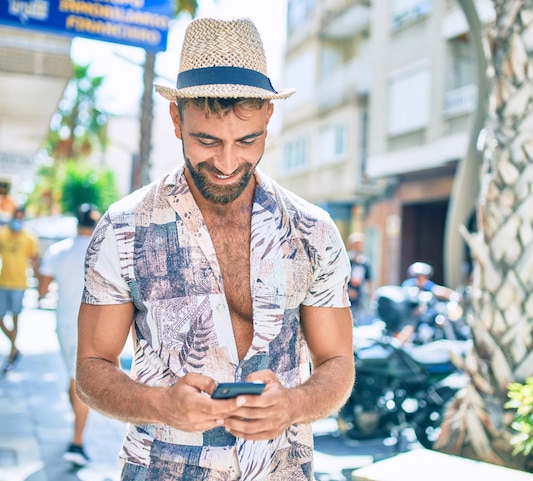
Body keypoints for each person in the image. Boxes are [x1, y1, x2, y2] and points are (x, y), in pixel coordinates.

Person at [75, 17, 354, 481]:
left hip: (280, 471)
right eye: (207, 140)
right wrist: (160, 405)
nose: (227, 162)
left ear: (268, 117)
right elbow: (91, 368)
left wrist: (295, 404)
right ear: (176, 119)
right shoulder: (123, 229)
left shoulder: (313, 231)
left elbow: (338, 362)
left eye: (247, 141)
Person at [38, 203, 101, 466]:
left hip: (64, 324)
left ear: (77, 222)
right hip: (94, 326)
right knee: (81, 384)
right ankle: (77, 443)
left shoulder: (58, 250)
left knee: (75, 380)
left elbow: (42, 290)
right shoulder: (102, 251)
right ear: (95, 224)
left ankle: (77, 427)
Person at [0, 206, 39, 372]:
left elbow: (34, 261)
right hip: (3, 282)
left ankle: (11, 353)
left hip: (19, 284)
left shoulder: (29, 238)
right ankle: (15, 347)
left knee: (15, 318)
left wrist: (39, 283)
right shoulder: (2, 234)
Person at [396, 262, 460, 344]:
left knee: (442, 319)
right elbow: (408, 295)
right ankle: (402, 342)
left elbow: (438, 290)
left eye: (425, 277)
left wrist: (453, 295)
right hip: (413, 313)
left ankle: (450, 342)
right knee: (411, 324)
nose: (423, 279)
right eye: (420, 276)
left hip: (427, 314)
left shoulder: (426, 285)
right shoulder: (409, 285)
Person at [346, 232, 374, 325]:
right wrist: (347, 290)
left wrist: (370, 294)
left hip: (359, 296)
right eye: (356, 244)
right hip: (344, 295)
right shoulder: (345, 260)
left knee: (356, 319)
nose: (358, 247)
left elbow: (369, 279)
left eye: (360, 245)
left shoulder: (365, 263)